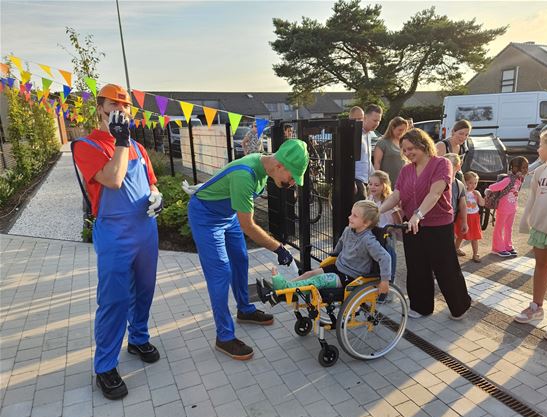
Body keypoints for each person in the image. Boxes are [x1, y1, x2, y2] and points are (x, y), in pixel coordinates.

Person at [71, 84, 163, 400]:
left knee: (145, 290)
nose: (120, 111)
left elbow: (151, 182)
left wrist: (157, 195)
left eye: (125, 106)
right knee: (114, 300)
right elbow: (113, 179)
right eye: (114, 104)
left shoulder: (138, 147)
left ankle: (138, 337)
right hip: (114, 233)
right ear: (100, 108)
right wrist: (121, 142)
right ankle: (105, 366)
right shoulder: (85, 145)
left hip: (145, 231)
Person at [186, 138, 309, 359]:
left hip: (227, 214)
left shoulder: (264, 168)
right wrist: (280, 249)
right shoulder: (245, 174)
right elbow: (249, 226)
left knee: (241, 259)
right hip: (206, 215)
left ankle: (244, 309)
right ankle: (224, 337)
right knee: (221, 272)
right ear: (280, 165)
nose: (291, 183)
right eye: (292, 178)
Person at [379, 129, 471, 320]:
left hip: (437, 224)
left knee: (445, 267)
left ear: (423, 144)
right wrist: (377, 211)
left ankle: (460, 306)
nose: (407, 153)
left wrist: (418, 214)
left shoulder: (441, 163)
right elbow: (396, 195)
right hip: (412, 225)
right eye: (404, 150)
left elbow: (435, 193)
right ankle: (421, 306)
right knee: (416, 266)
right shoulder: (406, 170)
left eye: (411, 148)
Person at [270, 201, 391, 293]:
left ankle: (286, 288)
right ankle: (285, 288)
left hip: (351, 277)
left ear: (366, 222)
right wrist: (333, 255)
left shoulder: (368, 240)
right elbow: (341, 244)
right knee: (310, 274)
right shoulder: (348, 230)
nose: (349, 217)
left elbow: (385, 257)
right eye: (351, 214)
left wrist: (385, 281)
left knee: (319, 280)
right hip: (339, 267)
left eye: (355, 216)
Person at [516, 128, 547, 342]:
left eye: (542, 144)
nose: (538, 148)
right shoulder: (540, 171)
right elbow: (533, 199)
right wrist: (527, 223)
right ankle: (536, 306)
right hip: (540, 230)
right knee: (541, 267)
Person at [486, 156, 529, 258]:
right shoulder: (508, 179)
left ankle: (507, 246)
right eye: (523, 167)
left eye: (526, 167)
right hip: (503, 208)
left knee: (508, 228)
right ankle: (497, 248)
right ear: (514, 168)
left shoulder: (519, 179)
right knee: (499, 228)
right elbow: (493, 187)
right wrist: (488, 191)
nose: (525, 170)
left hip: (512, 208)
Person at [367, 171, 402, 286]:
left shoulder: (389, 201)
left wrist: (393, 231)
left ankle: (389, 287)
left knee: (389, 259)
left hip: (387, 236)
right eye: (370, 184)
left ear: (384, 186)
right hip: (375, 233)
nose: (372, 187)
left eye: (376, 185)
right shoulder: (370, 198)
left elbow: (398, 222)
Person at [455, 172, 484, 263]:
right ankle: (456, 249)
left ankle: (475, 254)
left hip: (474, 217)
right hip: (464, 217)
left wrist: (478, 195)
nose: (473, 185)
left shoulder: (476, 193)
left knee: (475, 237)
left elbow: (482, 203)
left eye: (475, 183)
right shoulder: (462, 191)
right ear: (465, 182)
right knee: (460, 235)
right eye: (470, 182)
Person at [355, 104, 382, 201]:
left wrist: (376, 176)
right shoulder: (355, 134)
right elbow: (346, 159)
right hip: (357, 182)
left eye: (379, 121)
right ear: (365, 118)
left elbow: (366, 159)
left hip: (366, 182)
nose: (377, 123)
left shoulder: (369, 134)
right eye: (375, 120)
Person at [373, 116, 408, 187]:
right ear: (392, 128)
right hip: (388, 183)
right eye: (400, 130)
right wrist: (377, 181)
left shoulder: (403, 143)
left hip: (403, 182)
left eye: (404, 130)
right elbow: (377, 163)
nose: (402, 132)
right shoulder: (382, 143)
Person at [444, 154, 468, 255]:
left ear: (458, 167)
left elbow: (463, 205)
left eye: (449, 165)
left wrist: (464, 222)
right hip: (436, 221)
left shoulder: (460, 185)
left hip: (450, 221)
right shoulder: (437, 182)